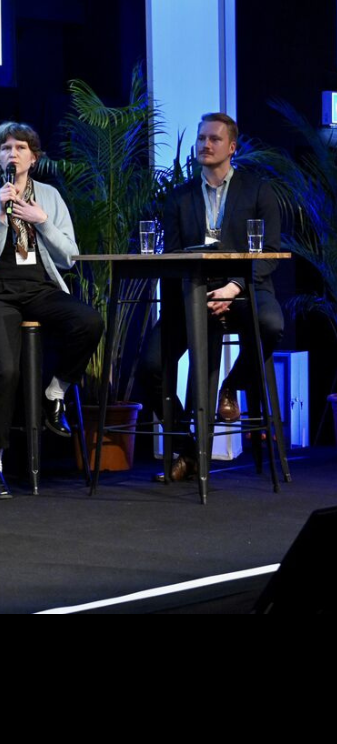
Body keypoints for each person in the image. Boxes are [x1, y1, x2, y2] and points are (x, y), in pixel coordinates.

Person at [138, 112, 283, 481]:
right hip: (193, 295)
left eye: (214, 139)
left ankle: (230, 385)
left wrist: (233, 288)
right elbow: (170, 256)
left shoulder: (257, 190)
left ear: (231, 147)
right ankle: (187, 448)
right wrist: (196, 297)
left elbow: (269, 251)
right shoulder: (179, 197)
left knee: (270, 325)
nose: (205, 144)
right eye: (201, 138)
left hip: (244, 289)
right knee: (151, 366)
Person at [0, 121, 103, 498]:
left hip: (40, 287)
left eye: (20, 148)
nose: (12, 154)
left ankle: (54, 393)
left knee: (89, 321)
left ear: (34, 157)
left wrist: (41, 222)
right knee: (4, 369)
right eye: (5, 148)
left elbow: (70, 258)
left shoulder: (50, 198)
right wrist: (0, 217)